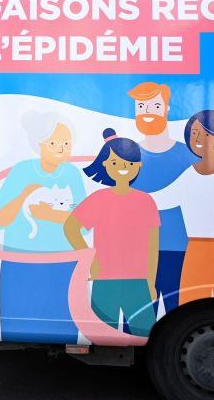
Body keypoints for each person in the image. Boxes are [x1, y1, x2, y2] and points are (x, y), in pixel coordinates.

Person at [64, 129, 160, 337]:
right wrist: (90, 260)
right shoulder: (99, 199)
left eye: (129, 164)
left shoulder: (146, 201)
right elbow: (70, 227)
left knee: (144, 335)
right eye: (116, 163)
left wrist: (151, 282)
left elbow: (153, 246)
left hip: (138, 282)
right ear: (106, 164)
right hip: (104, 281)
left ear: (138, 167)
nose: (123, 169)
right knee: (101, 336)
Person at [155, 110, 214, 304]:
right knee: (191, 304)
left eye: (204, 133)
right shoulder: (189, 176)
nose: (197, 139)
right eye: (193, 133)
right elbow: (160, 200)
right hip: (196, 251)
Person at [127, 82, 194, 312]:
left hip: (180, 252)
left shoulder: (188, 156)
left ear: (166, 108)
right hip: (136, 250)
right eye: (141, 106)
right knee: (138, 320)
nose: (147, 112)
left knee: (181, 315)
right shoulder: (126, 159)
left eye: (154, 105)